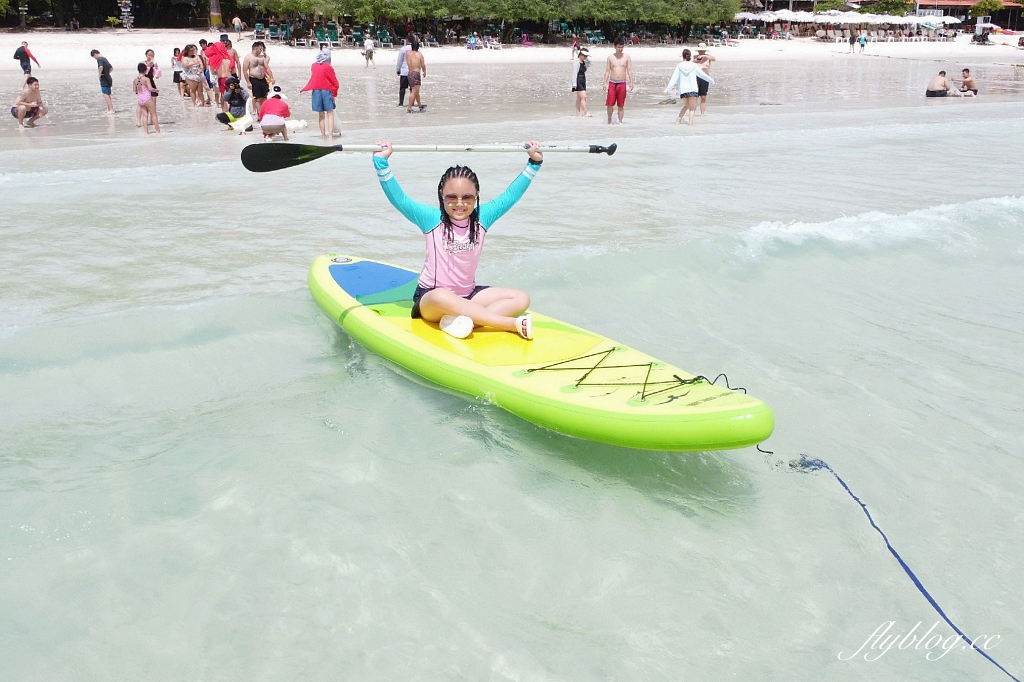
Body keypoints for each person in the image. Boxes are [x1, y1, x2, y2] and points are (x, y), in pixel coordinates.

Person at [371, 140, 544, 340]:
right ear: (441, 195)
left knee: (521, 298)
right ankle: (508, 324)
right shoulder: (431, 219)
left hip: (468, 295)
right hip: (432, 300)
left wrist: (534, 163)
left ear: (476, 195)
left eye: (467, 197)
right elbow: (400, 200)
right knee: (441, 295)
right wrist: (381, 163)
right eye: (451, 197)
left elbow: (511, 195)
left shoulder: (482, 218)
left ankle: (465, 322)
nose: (459, 204)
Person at [664, 49, 714, 126]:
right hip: (693, 89)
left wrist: (667, 89)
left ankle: (678, 120)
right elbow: (702, 75)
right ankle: (690, 125)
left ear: (682, 56)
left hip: (683, 90)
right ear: (690, 57)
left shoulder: (679, 66)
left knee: (686, 106)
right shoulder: (694, 65)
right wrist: (711, 81)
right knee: (692, 109)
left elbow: (674, 78)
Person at [302, 48, 339, 139]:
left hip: (316, 91)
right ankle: (330, 137)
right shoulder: (328, 67)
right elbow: (335, 82)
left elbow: (315, 77)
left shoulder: (313, 66)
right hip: (326, 91)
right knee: (330, 114)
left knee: (321, 115)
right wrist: (334, 94)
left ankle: (323, 137)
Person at [603, 37, 634, 124]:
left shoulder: (627, 57)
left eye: (622, 47)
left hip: (622, 83)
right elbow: (607, 71)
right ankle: (609, 120)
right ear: (615, 47)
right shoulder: (610, 58)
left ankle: (620, 122)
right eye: (618, 47)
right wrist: (604, 83)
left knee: (621, 104)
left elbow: (629, 70)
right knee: (610, 104)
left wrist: (631, 82)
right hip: (612, 83)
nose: (620, 49)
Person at [243, 41, 274, 114]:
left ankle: (265, 113)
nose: (261, 50)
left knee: (264, 97)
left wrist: (272, 77)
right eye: (260, 49)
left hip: (263, 79)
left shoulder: (262, 57)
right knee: (257, 99)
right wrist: (248, 82)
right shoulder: (248, 57)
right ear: (255, 48)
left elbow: (267, 68)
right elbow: (244, 70)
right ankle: (260, 115)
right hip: (254, 79)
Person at [133, 63, 161, 133]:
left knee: (145, 116)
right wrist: (156, 90)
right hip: (147, 98)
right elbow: (150, 89)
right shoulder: (146, 79)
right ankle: (158, 131)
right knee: (153, 114)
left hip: (140, 99)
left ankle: (146, 132)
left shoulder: (135, 79)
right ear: (146, 70)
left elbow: (134, 90)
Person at [138, 49, 161, 128]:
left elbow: (158, 76)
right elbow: (142, 73)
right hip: (143, 83)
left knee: (153, 102)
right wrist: (148, 66)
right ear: (146, 55)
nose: (150, 56)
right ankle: (138, 120)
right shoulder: (142, 63)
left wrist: (157, 68)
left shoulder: (154, 64)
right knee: (141, 103)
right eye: (149, 55)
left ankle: (152, 119)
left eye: (152, 55)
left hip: (151, 82)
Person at [693, 43, 716, 117]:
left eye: (702, 50)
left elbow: (714, 59)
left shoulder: (708, 57)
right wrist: (696, 60)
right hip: (695, 77)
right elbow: (691, 63)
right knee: (694, 96)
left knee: (703, 96)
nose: (700, 52)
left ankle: (702, 114)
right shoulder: (695, 57)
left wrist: (704, 56)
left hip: (705, 77)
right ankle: (692, 112)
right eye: (699, 50)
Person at [90, 49, 115, 114]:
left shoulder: (99, 59)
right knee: (108, 93)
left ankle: (111, 109)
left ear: (95, 54)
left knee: (105, 94)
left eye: (94, 57)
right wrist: (107, 73)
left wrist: (100, 74)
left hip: (104, 78)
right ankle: (109, 108)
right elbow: (111, 68)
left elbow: (100, 67)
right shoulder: (105, 59)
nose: (95, 58)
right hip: (109, 77)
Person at [405, 40, 426, 113]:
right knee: (414, 92)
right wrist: (424, 71)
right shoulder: (419, 54)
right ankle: (409, 107)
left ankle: (420, 106)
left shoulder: (408, 54)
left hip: (410, 73)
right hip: (416, 73)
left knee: (416, 91)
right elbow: (423, 64)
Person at [571, 48, 591, 117]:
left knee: (579, 98)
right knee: (583, 97)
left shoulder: (584, 62)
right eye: (584, 56)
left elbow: (589, 64)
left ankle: (578, 113)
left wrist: (586, 58)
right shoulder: (576, 62)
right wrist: (574, 84)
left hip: (583, 79)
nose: (586, 57)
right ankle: (586, 113)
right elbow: (574, 73)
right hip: (578, 79)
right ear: (581, 55)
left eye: (586, 56)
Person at [396, 38, 412, 107]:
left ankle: (401, 103)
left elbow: (400, 60)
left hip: (404, 71)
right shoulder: (417, 49)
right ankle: (412, 103)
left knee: (402, 88)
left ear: (407, 40)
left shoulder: (403, 49)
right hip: (413, 71)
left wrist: (398, 69)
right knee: (413, 89)